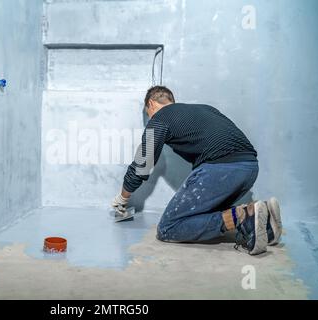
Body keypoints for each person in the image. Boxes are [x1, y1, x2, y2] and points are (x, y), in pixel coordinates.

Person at [112, 86, 282, 255]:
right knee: (204, 213)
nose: (149, 117)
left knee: (168, 228)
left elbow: (142, 164)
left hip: (222, 169)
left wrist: (122, 199)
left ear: (151, 104)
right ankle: (266, 224)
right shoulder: (205, 109)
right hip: (250, 167)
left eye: (148, 112)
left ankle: (245, 217)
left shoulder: (160, 118)